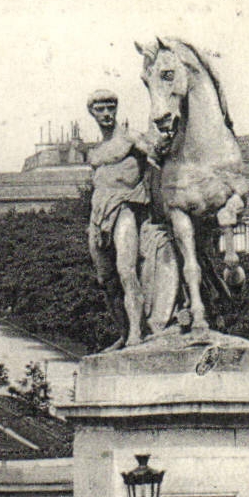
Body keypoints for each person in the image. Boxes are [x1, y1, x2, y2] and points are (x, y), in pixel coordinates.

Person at [86, 87, 156, 350]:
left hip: (125, 207)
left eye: (110, 108)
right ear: (92, 113)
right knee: (106, 280)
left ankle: (137, 332)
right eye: (100, 109)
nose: (106, 114)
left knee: (126, 270)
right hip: (98, 214)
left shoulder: (132, 139)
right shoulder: (95, 152)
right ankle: (124, 332)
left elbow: (159, 159)